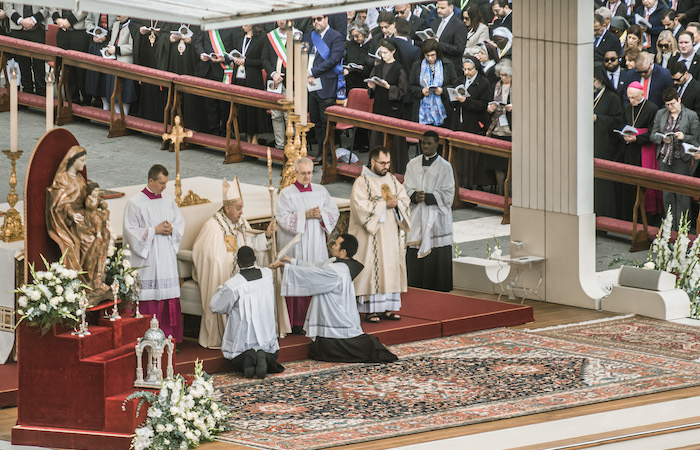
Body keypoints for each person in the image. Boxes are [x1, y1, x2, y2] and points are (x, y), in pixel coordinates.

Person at [274, 234, 398, 363]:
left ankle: (375, 348)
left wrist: (285, 267)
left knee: (340, 343)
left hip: (336, 317)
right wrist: (291, 261)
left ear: (343, 252)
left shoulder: (336, 270)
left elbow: (313, 273)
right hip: (337, 312)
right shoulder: (336, 263)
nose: (332, 246)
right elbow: (316, 266)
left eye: (336, 244)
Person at [192, 177, 283, 349]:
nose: (242, 212)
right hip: (225, 277)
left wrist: (267, 235)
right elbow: (207, 256)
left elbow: (250, 247)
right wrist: (229, 262)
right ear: (227, 208)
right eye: (238, 208)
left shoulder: (240, 222)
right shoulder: (213, 226)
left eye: (242, 208)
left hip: (242, 276)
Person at [123, 165, 185, 345]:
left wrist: (172, 229)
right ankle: (145, 337)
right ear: (151, 180)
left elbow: (179, 224)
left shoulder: (168, 201)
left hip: (166, 256)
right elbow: (130, 232)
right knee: (149, 295)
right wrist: (154, 230)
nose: (164, 187)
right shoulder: (135, 203)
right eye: (161, 183)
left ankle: (171, 338)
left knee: (167, 294)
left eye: (166, 183)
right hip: (148, 257)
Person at [277, 157, 340, 333]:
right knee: (299, 275)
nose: (307, 177)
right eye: (303, 173)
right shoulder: (286, 193)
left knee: (316, 274)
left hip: (317, 242)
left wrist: (321, 216)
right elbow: (282, 219)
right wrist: (305, 215)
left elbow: (333, 212)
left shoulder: (321, 191)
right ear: (295, 173)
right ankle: (297, 321)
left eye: (310, 173)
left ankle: (318, 317)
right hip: (298, 244)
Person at [349, 146, 410, 323]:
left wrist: (397, 204)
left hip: (390, 233)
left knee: (390, 267)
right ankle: (370, 310)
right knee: (372, 267)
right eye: (382, 163)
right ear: (373, 162)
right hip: (372, 235)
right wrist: (384, 205)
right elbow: (359, 207)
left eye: (388, 163)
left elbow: (404, 200)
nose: (386, 166)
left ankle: (389, 308)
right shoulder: (362, 182)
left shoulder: (391, 179)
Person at [46, 145, 112, 306]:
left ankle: (97, 282)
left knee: (104, 237)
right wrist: (71, 214)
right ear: (72, 161)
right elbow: (58, 204)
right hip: (71, 222)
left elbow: (87, 199)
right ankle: (86, 283)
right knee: (90, 241)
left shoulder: (80, 179)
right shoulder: (63, 179)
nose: (84, 164)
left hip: (85, 217)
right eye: (81, 161)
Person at [209, 246, 285, 379]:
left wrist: (221, 289)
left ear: (237, 262)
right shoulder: (267, 275)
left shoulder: (233, 284)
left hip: (243, 341)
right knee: (271, 352)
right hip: (266, 337)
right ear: (255, 259)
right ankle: (264, 356)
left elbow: (216, 307)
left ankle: (248, 360)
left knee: (236, 357)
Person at [404, 131, 455, 292]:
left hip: (436, 219)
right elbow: (405, 188)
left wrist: (428, 197)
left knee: (436, 257)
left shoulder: (445, 167)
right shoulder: (412, 164)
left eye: (429, 143)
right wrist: (413, 195)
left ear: (437, 144)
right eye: (423, 143)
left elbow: (448, 194)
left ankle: (438, 290)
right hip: (417, 216)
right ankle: (415, 287)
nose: (425, 146)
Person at [651, 87, 700, 230]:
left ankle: (682, 229)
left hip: (682, 159)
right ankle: (669, 228)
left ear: (679, 100)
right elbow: (653, 134)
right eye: (667, 105)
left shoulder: (691, 115)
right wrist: (661, 139)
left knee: (682, 196)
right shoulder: (661, 114)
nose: (670, 107)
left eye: (673, 103)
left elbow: (696, 139)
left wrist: (684, 137)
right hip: (665, 158)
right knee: (667, 195)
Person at [303, 14, 345, 160]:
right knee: (316, 121)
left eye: (319, 19)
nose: (316, 22)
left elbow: (333, 60)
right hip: (310, 84)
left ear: (327, 19)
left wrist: (312, 72)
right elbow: (302, 55)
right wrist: (306, 73)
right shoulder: (308, 36)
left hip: (327, 84)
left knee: (325, 121)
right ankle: (320, 152)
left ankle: (327, 154)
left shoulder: (336, 37)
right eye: (313, 20)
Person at [619, 81, 662, 220]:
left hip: (644, 149)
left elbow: (653, 131)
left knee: (644, 183)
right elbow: (622, 125)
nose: (631, 101)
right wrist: (625, 136)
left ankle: (647, 217)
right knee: (629, 183)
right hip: (629, 151)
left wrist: (636, 139)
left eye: (634, 98)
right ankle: (630, 215)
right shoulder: (627, 108)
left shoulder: (652, 108)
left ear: (642, 93)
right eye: (629, 98)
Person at [368, 39, 409, 174]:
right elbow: (372, 84)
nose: (383, 55)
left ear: (393, 51)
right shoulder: (378, 67)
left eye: (386, 53)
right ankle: (375, 168)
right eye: (382, 52)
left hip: (393, 109)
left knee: (394, 141)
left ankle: (396, 169)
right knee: (377, 139)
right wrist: (371, 87)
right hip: (379, 106)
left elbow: (403, 91)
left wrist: (388, 87)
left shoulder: (399, 68)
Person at [453, 56, 492, 188]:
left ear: (476, 69)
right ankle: (458, 183)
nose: (466, 72)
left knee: (470, 157)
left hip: (474, 122)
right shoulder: (459, 80)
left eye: (469, 69)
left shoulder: (483, 83)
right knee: (458, 155)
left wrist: (466, 102)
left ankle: (469, 185)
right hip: (459, 121)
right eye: (464, 69)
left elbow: (483, 105)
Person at [262, 20, 299, 150]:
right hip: (274, 82)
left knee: (290, 116)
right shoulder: (271, 36)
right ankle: (279, 146)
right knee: (276, 116)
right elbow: (264, 58)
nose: (282, 21)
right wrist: (273, 74)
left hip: (292, 83)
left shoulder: (298, 35)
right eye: (280, 18)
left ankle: (293, 147)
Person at [193, 26, 236, 136]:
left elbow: (235, 49)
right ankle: (213, 129)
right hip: (207, 69)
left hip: (224, 70)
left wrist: (225, 59)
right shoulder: (207, 26)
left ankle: (224, 130)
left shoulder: (232, 27)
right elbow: (198, 42)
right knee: (209, 102)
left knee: (224, 103)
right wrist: (201, 53)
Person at [594, 65, 623, 218]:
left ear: (600, 80)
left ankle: (605, 216)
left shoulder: (612, 97)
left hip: (605, 146)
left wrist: (598, 119)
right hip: (590, 144)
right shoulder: (588, 95)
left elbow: (617, 121)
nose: (591, 84)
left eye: (593, 81)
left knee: (602, 184)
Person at [232, 24, 269, 145]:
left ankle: (254, 139)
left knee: (254, 110)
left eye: (246, 23)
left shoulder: (262, 37)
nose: (243, 26)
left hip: (253, 78)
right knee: (244, 109)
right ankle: (247, 138)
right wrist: (236, 59)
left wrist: (246, 61)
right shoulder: (239, 36)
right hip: (239, 78)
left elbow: (262, 61)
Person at [409, 39, 458, 126]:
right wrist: (421, 91)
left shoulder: (447, 64)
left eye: (433, 55)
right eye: (427, 56)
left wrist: (442, 90)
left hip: (443, 108)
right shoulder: (417, 65)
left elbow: (455, 85)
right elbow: (411, 86)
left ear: (437, 53)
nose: (430, 58)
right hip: (421, 109)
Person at [3, 3, 48, 95]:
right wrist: (21, 21)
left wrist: (33, 20)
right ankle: (27, 91)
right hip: (18, 27)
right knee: (22, 62)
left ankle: (42, 93)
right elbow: (7, 7)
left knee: (39, 62)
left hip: (38, 27)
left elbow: (47, 7)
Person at [51, 9, 89, 105]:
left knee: (81, 70)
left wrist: (69, 21)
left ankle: (86, 103)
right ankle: (71, 101)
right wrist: (57, 19)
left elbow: (85, 6)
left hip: (79, 32)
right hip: (62, 31)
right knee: (67, 69)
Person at [103, 16, 137, 115]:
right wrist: (108, 49)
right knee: (113, 91)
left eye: (119, 14)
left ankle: (124, 114)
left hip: (125, 63)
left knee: (124, 92)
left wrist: (117, 49)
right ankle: (116, 114)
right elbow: (112, 41)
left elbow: (133, 47)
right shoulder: (116, 24)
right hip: (113, 62)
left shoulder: (132, 26)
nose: (117, 16)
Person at [430, 0, 467, 71]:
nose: (439, 10)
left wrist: (438, 44)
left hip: (450, 68)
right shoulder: (435, 22)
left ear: (451, 7)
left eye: (442, 8)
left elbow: (459, 49)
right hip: (435, 65)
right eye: (438, 8)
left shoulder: (459, 25)